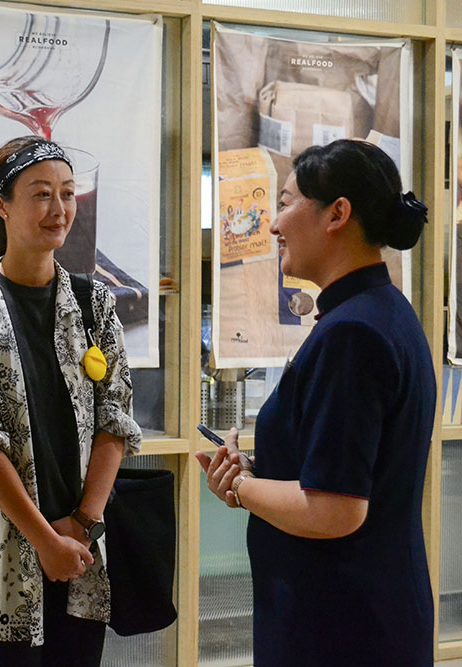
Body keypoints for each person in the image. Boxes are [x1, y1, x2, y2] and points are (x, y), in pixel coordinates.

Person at [197, 139, 434, 666]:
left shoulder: (353, 334)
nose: (273, 225)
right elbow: (339, 473)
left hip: (342, 628)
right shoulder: (380, 311)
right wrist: (257, 472)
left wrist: (241, 487)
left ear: (337, 214)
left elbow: (335, 510)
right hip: (363, 615)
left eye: (285, 203)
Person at [0, 136, 141, 666]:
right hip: (3, 553)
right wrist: (44, 540)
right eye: (42, 193)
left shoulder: (94, 303)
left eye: (67, 193)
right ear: (0, 204)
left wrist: (82, 524)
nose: (60, 209)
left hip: (81, 551)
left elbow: (115, 417)